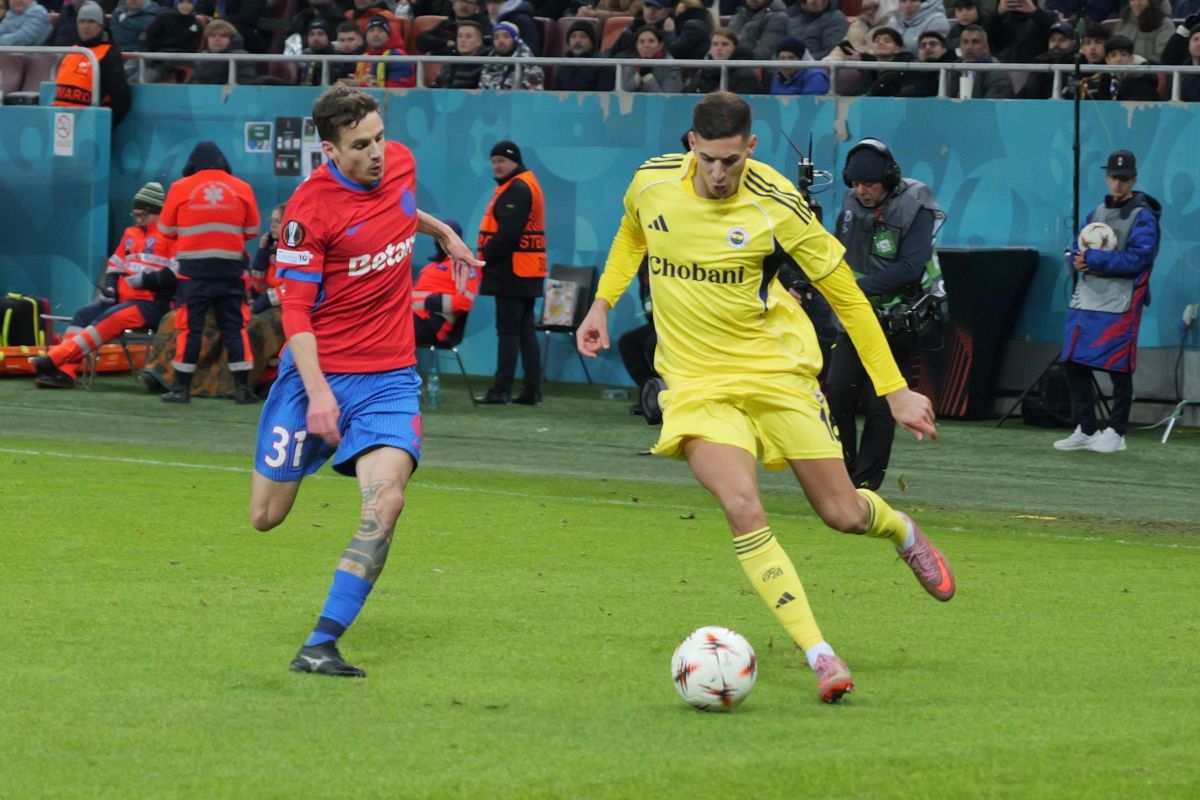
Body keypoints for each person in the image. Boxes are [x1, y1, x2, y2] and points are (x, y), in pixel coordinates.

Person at [576, 93, 955, 705]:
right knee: (742, 506)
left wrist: (894, 390)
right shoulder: (651, 183)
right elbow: (630, 234)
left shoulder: (777, 203)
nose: (718, 173)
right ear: (692, 144)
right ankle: (820, 654)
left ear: (750, 148)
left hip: (775, 373)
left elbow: (848, 295)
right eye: (708, 159)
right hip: (696, 383)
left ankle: (902, 532)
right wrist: (602, 303)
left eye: (731, 160)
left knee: (843, 514)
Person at [248, 86, 480, 678]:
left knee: (387, 504)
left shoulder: (398, 162)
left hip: (389, 379)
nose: (377, 153)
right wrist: (319, 394)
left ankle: (320, 644)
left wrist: (442, 233)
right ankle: (312, 435)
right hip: (317, 377)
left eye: (380, 138)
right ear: (330, 150)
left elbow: (396, 207)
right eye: (360, 145)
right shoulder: (307, 213)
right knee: (265, 516)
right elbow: (295, 312)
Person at [826, 138, 946, 492]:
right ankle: (841, 475)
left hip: (899, 319)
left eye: (869, 184)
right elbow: (838, 250)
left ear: (889, 179)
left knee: (882, 404)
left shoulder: (916, 206)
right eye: (855, 183)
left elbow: (910, 268)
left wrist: (854, 290)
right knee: (838, 393)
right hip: (856, 315)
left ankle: (866, 482)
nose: (861, 191)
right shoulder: (850, 203)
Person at [1053, 150, 1160, 454]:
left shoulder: (1144, 217)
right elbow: (1077, 246)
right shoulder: (1096, 213)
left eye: (1124, 179)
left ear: (1134, 180)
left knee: (1118, 366)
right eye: (1114, 177)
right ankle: (1087, 428)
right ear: (1106, 177)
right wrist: (1075, 260)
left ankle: (1116, 431)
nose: (1118, 183)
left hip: (1121, 299)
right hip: (1088, 295)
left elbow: (1138, 259)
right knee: (1072, 360)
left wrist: (1093, 259)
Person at [32, 182, 177, 389]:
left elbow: (176, 274)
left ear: (157, 212)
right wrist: (109, 285)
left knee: (112, 317)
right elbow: (115, 264)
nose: (138, 220)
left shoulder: (172, 237)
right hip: (123, 299)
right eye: (135, 215)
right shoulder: (130, 233)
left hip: (153, 303)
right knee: (83, 314)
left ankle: (53, 359)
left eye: (143, 215)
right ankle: (65, 372)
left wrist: (147, 281)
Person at [157, 140, 261, 404]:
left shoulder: (180, 187)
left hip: (193, 275)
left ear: (192, 164)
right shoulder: (242, 188)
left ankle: (181, 390)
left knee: (190, 329)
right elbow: (252, 231)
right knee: (235, 328)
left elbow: (166, 230)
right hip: (230, 273)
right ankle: (242, 390)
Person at [475, 140, 546, 405]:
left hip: (512, 271)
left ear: (515, 161)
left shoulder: (517, 188)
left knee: (508, 332)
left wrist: (482, 259)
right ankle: (531, 390)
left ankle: (501, 389)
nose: (496, 166)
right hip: (526, 269)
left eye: (502, 161)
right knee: (524, 331)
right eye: (493, 161)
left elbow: (508, 235)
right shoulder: (524, 183)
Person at [52, 2, 132, 127]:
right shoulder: (71, 51)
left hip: (89, 125)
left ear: (100, 26)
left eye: (91, 22)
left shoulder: (108, 54)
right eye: (82, 21)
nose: (86, 26)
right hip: (59, 123)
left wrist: (102, 127)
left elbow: (121, 99)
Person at [413, 220, 482, 345]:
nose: (439, 241)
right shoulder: (429, 267)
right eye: (437, 236)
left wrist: (426, 301)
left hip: (432, 323)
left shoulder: (465, 266)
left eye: (443, 236)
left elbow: (464, 302)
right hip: (410, 316)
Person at [347, 16, 415, 88]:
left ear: (389, 35)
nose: (375, 34)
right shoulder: (363, 56)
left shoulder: (398, 57)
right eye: (371, 30)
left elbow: (397, 91)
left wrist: (360, 85)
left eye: (381, 31)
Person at [950, 23, 1013, 97]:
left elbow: (994, 102)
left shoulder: (998, 71)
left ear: (986, 47)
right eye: (965, 42)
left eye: (975, 42)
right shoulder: (951, 69)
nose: (969, 47)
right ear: (960, 46)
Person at [478, 20, 544, 90]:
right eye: (496, 37)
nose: (501, 40)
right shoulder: (489, 64)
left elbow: (532, 94)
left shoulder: (530, 66)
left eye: (506, 36)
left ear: (515, 39)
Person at [189, 18, 258, 85]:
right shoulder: (202, 58)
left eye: (223, 35)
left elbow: (245, 84)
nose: (217, 39)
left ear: (231, 38)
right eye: (212, 35)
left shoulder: (241, 57)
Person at [555, 18, 616, 91]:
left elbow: (605, 96)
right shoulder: (563, 65)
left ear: (592, 42)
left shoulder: (604, 64)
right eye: (573, 36)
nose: (577, 41)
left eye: (583, 36)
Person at [621, 25, 683, 92]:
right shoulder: (630, 64)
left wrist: (648, 78)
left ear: (660, 45)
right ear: (636, 46)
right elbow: (622, 93)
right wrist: (637, 79)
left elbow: (667, 97)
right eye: (642, 42)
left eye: (651, 41)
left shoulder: (671, 66)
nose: (646, 45)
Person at [433, 19, 487, 88]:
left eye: (468, 36)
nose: (462, 40)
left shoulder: (487, 64)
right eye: (460, 36)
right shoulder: (450, 62)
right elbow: (437, 85)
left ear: (479, 41)